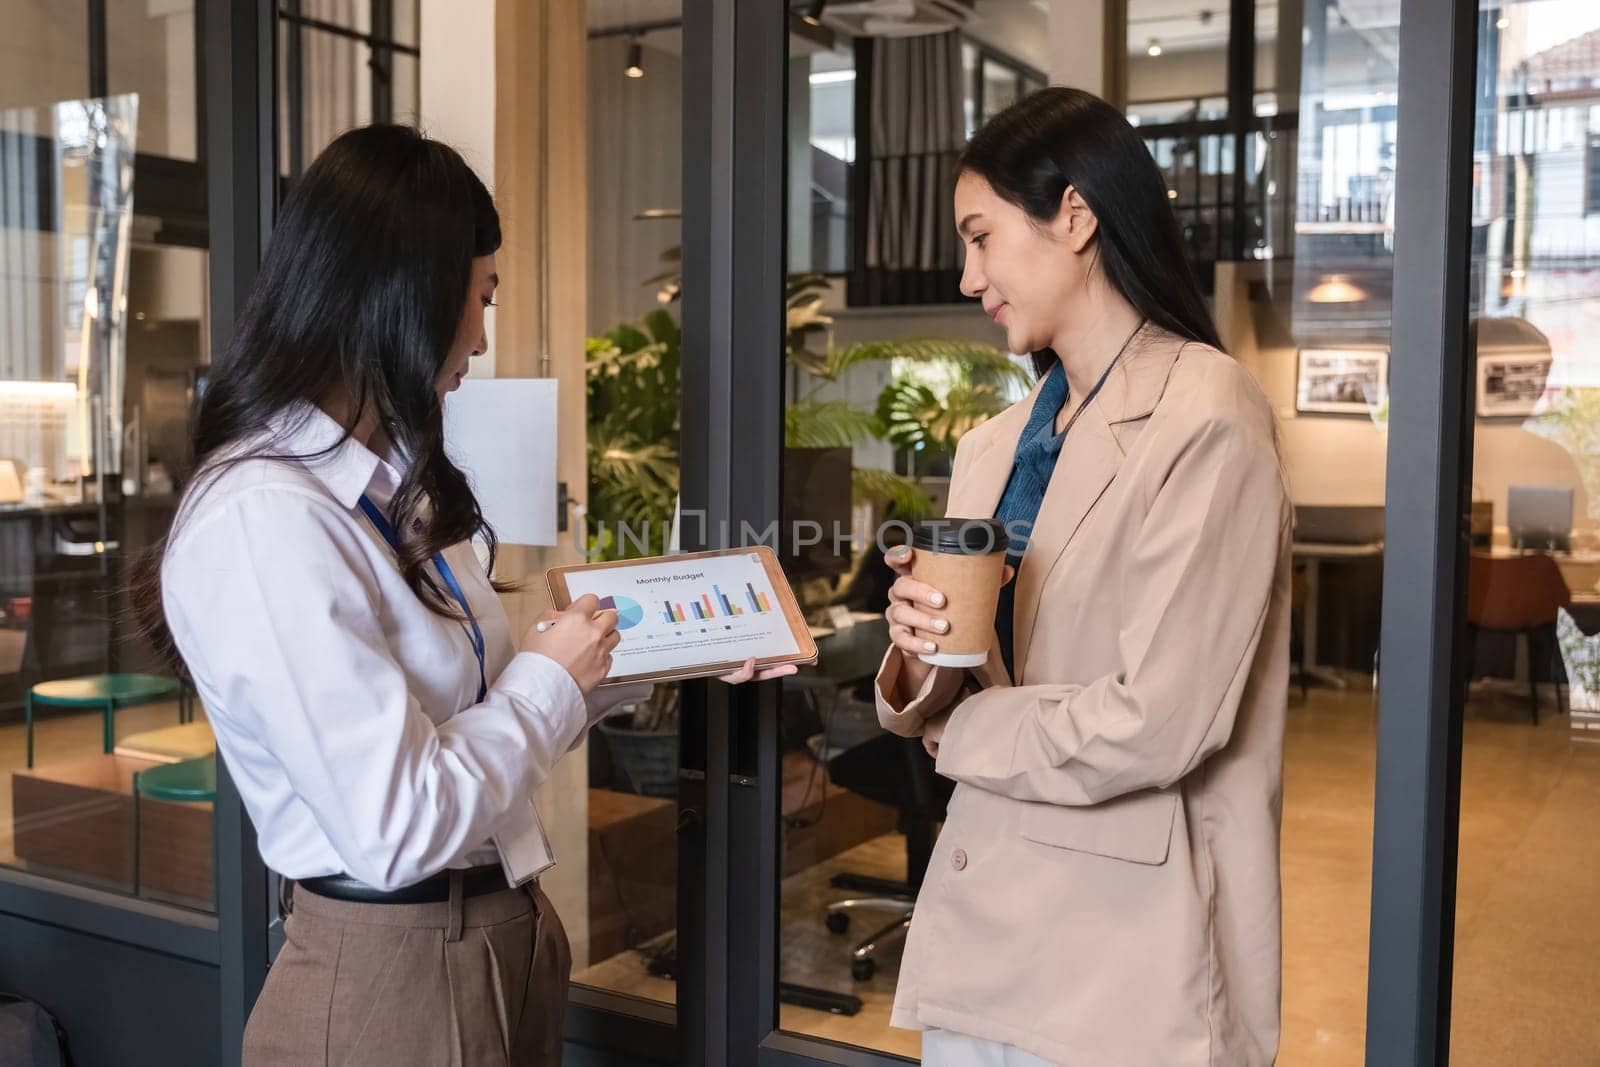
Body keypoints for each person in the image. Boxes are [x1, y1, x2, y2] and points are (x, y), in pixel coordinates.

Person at [135, 124, 792, 1065]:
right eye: (478, 297)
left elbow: (484, 727)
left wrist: (650, 653)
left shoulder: (380, 488)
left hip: (497, 936)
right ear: (407, 291)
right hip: (388, 970)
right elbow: (399, 824)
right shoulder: (263, 516)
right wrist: (545, 680)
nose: (480, 339)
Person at [874, 88, 1291, 1065]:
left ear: (1074, 213)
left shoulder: (1207, 418)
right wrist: (919, 648)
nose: (968, 274)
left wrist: (958, 724)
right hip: (987, 922)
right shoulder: (993, 446)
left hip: (1123, 951)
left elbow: (1160, 719)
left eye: (980, 236)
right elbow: (974, 673)